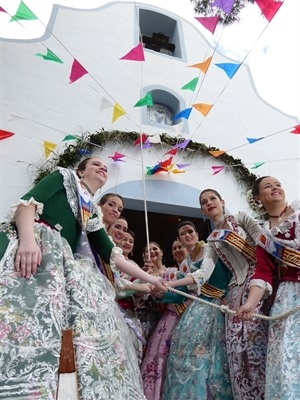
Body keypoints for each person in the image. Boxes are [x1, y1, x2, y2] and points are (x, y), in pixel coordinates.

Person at [0, 157, 166, 400]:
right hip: (36, 245)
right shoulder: (63, 177)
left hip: (62, 264)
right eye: (96, 164)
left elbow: (112, 253)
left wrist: (150, 280)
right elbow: (27, 205)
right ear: (81, 170)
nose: (102, 168)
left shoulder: (92, 212)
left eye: (106, 168)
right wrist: (28, 241)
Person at [236, 176, 300, 400]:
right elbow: (262, 272)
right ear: (258, 199)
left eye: (278, 184)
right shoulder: (264, 237)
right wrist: (250, 304)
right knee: (288, 356)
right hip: (289, 298)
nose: (275, 188)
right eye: (268, 186)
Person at [162, 219, 233, 400]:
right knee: (187, 355)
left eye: (190, 231)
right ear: (179, 239)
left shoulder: (211, 250)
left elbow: (231, 272)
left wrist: (228, 294)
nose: (188, 235)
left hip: (216, 306)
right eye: (183, 234)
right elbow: (181, 294)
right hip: (196, 309)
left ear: (197, 234)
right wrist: (158, 293)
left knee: (210, 356)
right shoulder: (186, 263)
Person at [141, 239, 188, 400]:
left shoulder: (174, 272)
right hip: (156, 321)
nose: (152, 252)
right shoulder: (144, 274)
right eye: (148, 250)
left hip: (178, 318)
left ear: (162, 252)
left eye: (155, 248)